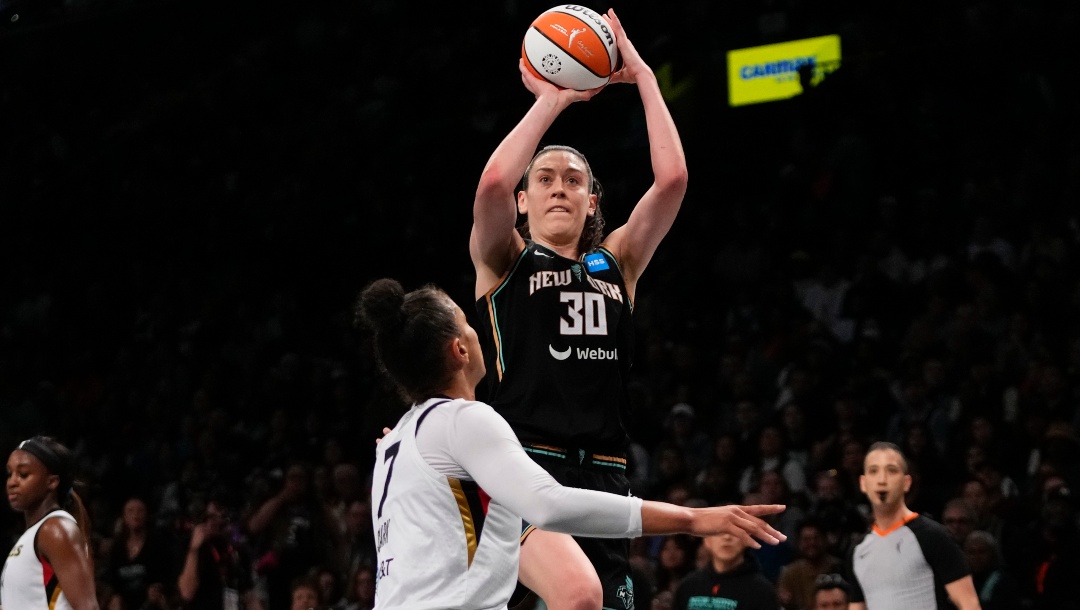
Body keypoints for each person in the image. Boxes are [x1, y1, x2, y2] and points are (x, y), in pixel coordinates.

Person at [354, 278, 787, 610]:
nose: (475, 330)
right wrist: (692, 519)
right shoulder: (463, 419)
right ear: (459, 350)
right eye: (468, 323)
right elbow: (550, 504)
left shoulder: (394, 444)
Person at [470, 8, 689, 610]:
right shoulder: (504, 259)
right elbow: (491, 185)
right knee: (572, 598)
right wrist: (554, 100)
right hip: (523, 469)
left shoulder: (618, 262)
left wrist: (642, 75)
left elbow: (672, 179)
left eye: (573, 180)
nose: (560, 187)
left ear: (593, 201)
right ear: (523, 201)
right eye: (544, 179)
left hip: (605, 473)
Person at [844, 441, 982, 610]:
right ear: (863, 483)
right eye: (873, 471)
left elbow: (969, 604)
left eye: (891, 470)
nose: (882, 480)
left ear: (906, 482)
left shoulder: (933, 536)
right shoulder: (858, 551)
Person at [1, 435, 99, 610]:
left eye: (23, 474)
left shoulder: (55, 529)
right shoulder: (33, 534)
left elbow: (87, 607)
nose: (12, 482)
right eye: (10, 473)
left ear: (52, 482)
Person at [672, 519, 781, 610]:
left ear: (747, 539)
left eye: (734, 531)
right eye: (719, 531)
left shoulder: (762, 591)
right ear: (707, 540)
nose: (727, 537)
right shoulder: (688, 586)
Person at [177, 497, 263, 610]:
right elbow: (186, 593)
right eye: (211, 517)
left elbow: (248, 596)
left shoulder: (235, 549)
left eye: (221, 516)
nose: (218, 522)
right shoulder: (188, 547)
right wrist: (194, 550)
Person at [105, 496, 173, 610]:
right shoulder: (117, 547)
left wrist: (158, 588)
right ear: (124, 517)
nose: (135, 515)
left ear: (146, 515)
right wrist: (114, 597)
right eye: (130, 511)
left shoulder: (157, 544)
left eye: (140, 510)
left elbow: (165, 576)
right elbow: (112, 580)